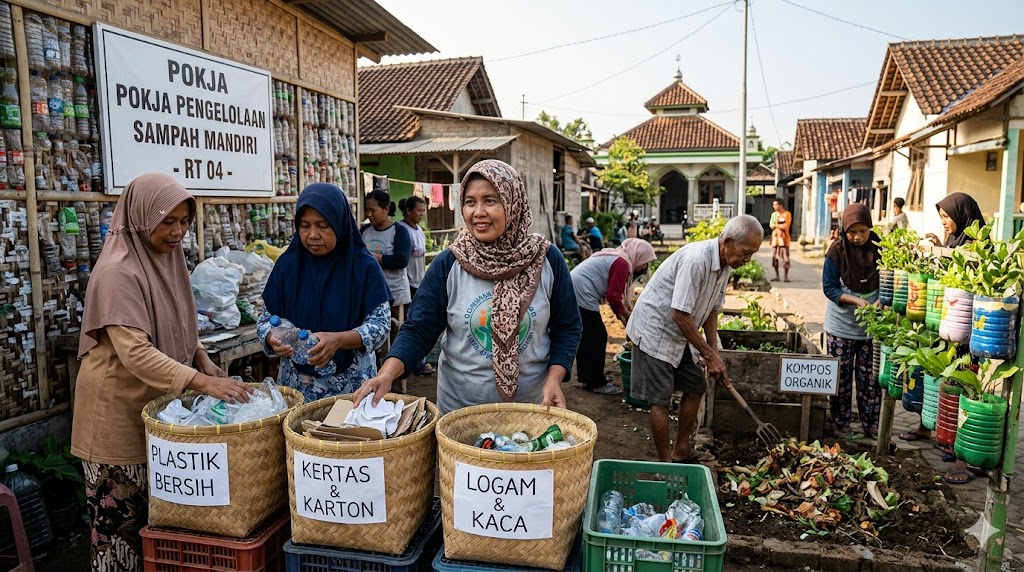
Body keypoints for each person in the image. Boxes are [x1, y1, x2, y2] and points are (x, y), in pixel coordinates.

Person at [71, 173, 253, 572]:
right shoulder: (118, 271)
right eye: (167, 221)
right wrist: (203, 382)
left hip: (155, 409)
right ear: (141, 217)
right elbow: (136, 351)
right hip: (116, 416)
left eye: (184, 221)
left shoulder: (166, 260)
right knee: (120, 536)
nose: (178, 231)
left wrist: (202, 359)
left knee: (154, 534)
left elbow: (179, 323)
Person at [353, 159, 583, 413]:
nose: (478, 212)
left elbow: (567, 327)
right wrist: (386, 374)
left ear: (513, 203)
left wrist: (554, 380)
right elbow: (418, 329)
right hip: (461, 413)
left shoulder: (545, 259)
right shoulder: (450, 263)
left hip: (531, 408)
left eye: (490, 201)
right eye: (470, 202)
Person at [626, 215, 764, 464]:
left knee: (695, 386)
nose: (748, 260)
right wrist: (708, 354)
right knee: (660, 399)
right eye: (746, 253)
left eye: (752, 254)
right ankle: (665, 463)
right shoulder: (696, 260)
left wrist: (713, 352)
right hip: (654, 331)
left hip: (681, 333)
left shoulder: (725, 266)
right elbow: (679, 314)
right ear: (727, 242)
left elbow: (712, 309)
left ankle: (681, 449)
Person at [260, 183, 392, 403]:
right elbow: (265, 320)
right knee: (300, 427)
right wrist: (271, 337)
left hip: (352, 388)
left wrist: (339, 340)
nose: (313, 235)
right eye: (305, 226)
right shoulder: (288, 266)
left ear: (339, 223)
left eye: (323, 225)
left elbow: (381, 325)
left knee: (347, 426)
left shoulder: (363, 266)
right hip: (297, 387)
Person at [905, 192, 985, 485]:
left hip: (967, 330)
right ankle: (934, 431)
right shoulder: (955, 243)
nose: (943, 222)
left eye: (947, 217)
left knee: (962, 386)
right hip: (946, 325)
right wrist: (938, 250)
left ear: (962, 215)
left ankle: (965, 458)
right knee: (939, 380)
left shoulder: (978, 246)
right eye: (941, 217)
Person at [822, 203, 882, 439]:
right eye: (852, 232)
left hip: (872, 329)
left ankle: (871, 424)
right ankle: (841, 423)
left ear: (870, 228)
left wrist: (882, 301)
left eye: (862, 231)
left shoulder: (880, 249)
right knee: (841, 378)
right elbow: (829, 288)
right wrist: (856, 301)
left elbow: (892, 280)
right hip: (841, 328)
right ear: (843, 230)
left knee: (871, 379)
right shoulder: (836, 252)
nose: (857, 237)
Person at [571, 238, 656, 395]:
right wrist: (630, 318)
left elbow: (616, 303)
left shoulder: (618, 257)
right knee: (597, 336)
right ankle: (596, 383)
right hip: (581, 293)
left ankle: (587, 378)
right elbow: (614, 298)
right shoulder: (622, 263)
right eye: (646, 262)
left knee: (587, 335)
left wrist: (626, 322)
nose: (645, 267)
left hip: (574, 289)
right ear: (638, 256)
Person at [362, 190, 413, 318]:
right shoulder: (364, 231)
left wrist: (372, 257)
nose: (369, 214)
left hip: (396, 294)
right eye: (367, 210)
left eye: (373, 210)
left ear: (386, 209)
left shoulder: (399, 231)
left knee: (396, 327)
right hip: (372, 293)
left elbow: (401, 260)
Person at [399, 195, 434, 375]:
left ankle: (418, 362)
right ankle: (415, 363)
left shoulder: (418, 229)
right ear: (408, 211)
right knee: (413, 324)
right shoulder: (403, 231)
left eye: (423, 211)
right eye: (419, 211)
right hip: (408, 283)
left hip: (419, 282)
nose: (422, 214)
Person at [770, 199, 792, 282]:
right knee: (774, 257)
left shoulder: (787, 214)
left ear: (781, 205)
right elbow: (771, 225)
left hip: (784, 239)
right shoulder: (774, 214)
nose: (774, 206)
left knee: (785, 257)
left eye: (775, 205)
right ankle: (777, 276)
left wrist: (776, 225)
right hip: (775, 239)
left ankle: (786, 276)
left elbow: (786, 226)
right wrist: (778, 225)